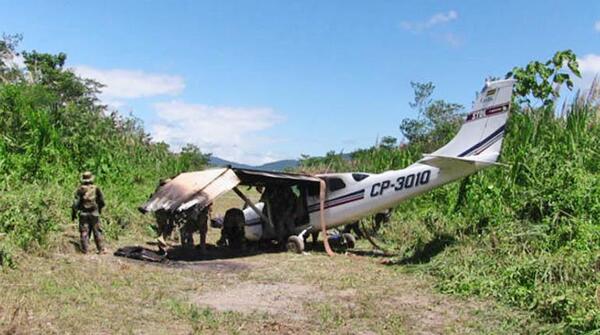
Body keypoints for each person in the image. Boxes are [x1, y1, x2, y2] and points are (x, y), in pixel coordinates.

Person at [71, 171, 106, 254]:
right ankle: (100, 249)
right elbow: (101, 201)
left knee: (84, 232)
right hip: (94, 213)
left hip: (83, 213)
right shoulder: (96, 188)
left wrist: (74, 214)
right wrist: (99, 209)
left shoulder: (80, 189)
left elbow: (75, 203)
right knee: (97, 231)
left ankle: (85, 250)